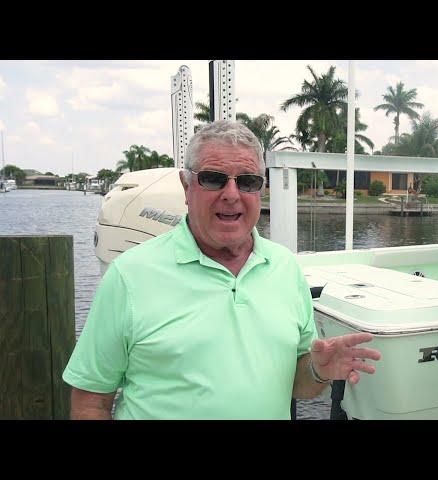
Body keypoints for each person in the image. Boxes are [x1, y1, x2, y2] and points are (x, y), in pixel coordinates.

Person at [62, 121, 381, 419]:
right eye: (213, 179)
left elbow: (298, 384)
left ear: (261, 190)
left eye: (247, 181)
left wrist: (319, 370)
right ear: (186, 187)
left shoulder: (285, 268)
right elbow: (91, 398)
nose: (231, 194)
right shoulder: (128, 276)